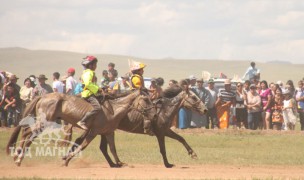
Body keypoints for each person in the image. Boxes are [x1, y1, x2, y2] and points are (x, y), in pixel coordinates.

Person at [76, 56, 102, 130]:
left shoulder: (89, 72)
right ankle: (82, 121)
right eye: (95, 64)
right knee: (98, 108)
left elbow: (92, 84)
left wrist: (100, 88)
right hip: (88, 94)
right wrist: (97, 89)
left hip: (91, 92)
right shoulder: (89, 73)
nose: (96, 66)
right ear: (90, 65)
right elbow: (88, 84)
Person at [129, 60, 151, 133]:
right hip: (137, 95)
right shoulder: (136, 78)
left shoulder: (139, 76)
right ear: (138, 71)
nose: (143, 71)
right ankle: (147, 128)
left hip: (141, 94)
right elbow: (139, 87)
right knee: (146, 108)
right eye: (142, 69)